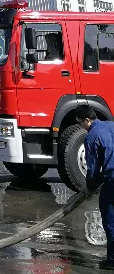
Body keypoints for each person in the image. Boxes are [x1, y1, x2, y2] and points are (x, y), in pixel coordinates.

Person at [78, 106, 114, 270]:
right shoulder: (111, 125)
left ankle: (112, 260)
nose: (81, 127)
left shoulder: (92, 137)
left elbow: (93, 168)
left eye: (80, 123)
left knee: (111, 221)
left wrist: (90, 187)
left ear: (87, 120)